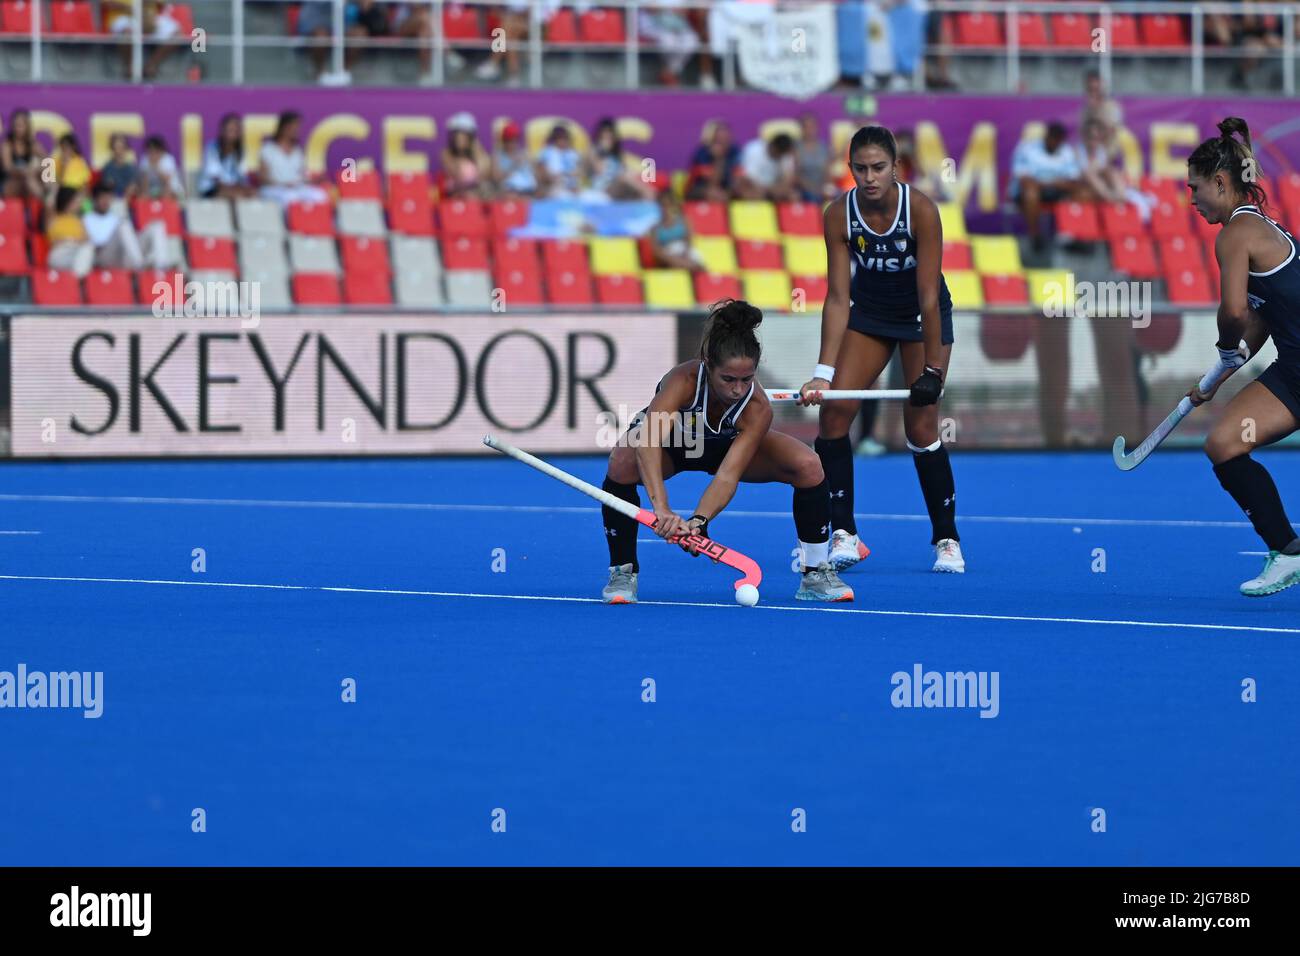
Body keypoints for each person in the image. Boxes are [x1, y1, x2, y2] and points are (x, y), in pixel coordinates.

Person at [599, 299, 852, 604]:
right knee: (621, 462)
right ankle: (622, 571)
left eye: (747, 379)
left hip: (723, 449)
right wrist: (662, 510)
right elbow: (649, 442)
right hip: (676, 446)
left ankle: (815, 573)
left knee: (808, 465)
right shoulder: (683, 382)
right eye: (728, 379)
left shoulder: (757, 408)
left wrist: (699, 521)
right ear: (708, 363)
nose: (737, 390)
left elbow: (727, 475)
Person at [798, 125, 965, 574]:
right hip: (870, 315)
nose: (869, 177)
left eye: (878, 168)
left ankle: (946, 538)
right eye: (860, 168)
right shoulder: (838, 214)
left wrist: (932, 368)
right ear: (849, 168)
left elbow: (928, 294)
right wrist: (823, 373)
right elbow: (837, 297)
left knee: (921, 426)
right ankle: (844, 533)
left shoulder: (922, 211)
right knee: (833, 415)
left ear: (896, 167)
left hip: (920, 317)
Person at [1184, 117, 1300, 596]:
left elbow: (1232, 314)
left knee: (1226, 445)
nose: (1191, 199)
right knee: (1225, 443)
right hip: (1294, 369)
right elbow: (1260, 321)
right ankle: (1288, 553)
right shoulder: (1256, 224)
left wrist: (1227, 346)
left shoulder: (1234, 233)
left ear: (1220, 180)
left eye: (1195, 188)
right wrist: (1217, 375)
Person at [1009, 121, 1085, 251]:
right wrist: (1050, 183)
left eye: (1058, 140)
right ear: (1046, 137)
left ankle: (1070, 235)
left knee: (1082, 193)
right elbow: (1023, 178)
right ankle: (1035, 236)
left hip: (1055, 190)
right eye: (1052, 138)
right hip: (1030, 191)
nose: (1054, 142)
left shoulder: (1067, 152)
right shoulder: (1027, 149)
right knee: (1031, 192)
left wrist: (1053, 184)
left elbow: (1074, 180)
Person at [83, 180, 172, 271]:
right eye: (102, 198)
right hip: (103, 255)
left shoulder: (115, 217)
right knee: (123, 226)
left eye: (108, 198)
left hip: (125, 256)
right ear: (95, 199)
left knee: (157, 225)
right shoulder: (87, 219)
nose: (106, 201)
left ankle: (162, 266)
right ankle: (140, 266)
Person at [258, 112, 328, 207]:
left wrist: (311, 180)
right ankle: (289, 222)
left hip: (296, 188)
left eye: (297, 128)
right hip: (274, 188)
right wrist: (283, 184)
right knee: (290, 198)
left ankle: (319, 221)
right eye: (294, 128)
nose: (297, 131)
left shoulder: (297, 151)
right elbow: (263, 179)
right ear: (284, 128)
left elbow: (302, 175)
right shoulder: (268, 149)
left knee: (320, 196)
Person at [583, 118, 654, 202]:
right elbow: (599, 170)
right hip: (602, 189)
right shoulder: (593, 151)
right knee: (624, 179)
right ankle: (648, 194)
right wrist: (602, 151)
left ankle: (648, 202)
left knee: (633, 184)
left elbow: (624, 171)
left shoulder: (616, 155)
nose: (607, 137)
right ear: (599, 136)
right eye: (604, 134)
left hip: (618, 188)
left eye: (610, 134)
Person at [198, 114, 255, 200]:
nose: (233, 134)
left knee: (254, 194)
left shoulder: (242, 152)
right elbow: (216, 181)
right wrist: (235, 190)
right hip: (212, 190)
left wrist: (245, 190)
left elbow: (242, 178)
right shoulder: (212, 148)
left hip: (235, 189)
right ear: (222, 131)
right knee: (233, 196)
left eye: (236, 130)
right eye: (230, 130)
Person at [440, 111, 492, 200]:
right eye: (457, 135)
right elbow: (457, 175)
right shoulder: (447, 154)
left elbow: (484, 175)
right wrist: (461, 153)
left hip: (476, 191)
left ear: (470, 137)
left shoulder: (477, 153)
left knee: (490, 194)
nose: (459, 139)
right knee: (471, 197)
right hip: (457, 193)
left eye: (463, 135)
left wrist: (478, 153)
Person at [648, 191, 705, 272]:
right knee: (679, 266)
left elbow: (690, 239)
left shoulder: (684, 221)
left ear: (673, 206)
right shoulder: (655, 228)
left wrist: (685, 253)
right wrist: (673, 259)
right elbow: (657, 251)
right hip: (668, 256)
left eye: (668, 205)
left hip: (684, 251)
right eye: (663, 205)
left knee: (700, 265)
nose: (665, 209)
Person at [45, 186, 94, 278]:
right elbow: (49, 202)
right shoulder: (53, 217)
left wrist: (72, 240)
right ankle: (78, 282)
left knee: (88, 248)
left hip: (76, 254)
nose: (78, 204)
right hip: (59, 254)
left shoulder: (79, 220)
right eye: (75, 201)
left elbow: (87, 240)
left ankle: (77, 279)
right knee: (84, 252)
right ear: (68, 202)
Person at [735, 132, 799, 202]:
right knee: (751, 193)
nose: (780, 157)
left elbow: (788, 179)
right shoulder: (754, 149)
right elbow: (748, 178)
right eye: (779, 154)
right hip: (754, 186)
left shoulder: (785, 155)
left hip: (774, 187)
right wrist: (767, 190)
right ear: (773, 147)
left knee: (793, 196)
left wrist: (779, 189)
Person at [685, 121, 740, 202]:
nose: (723, 142)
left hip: (727, 189)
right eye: (719, 139)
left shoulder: (734, 152)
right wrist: (718, 159)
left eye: (726, 138)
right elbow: (712, 182)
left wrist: (730, 191)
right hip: (700, 188)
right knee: (713, 194)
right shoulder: (702, 154)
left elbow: (737, 177)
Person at [1, 108, 46, 199]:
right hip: (9, 184)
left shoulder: (32, 144)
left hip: (29, 182)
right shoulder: (7, 145)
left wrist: (41, 173)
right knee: (28, 178)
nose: (17, 129)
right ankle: (44, 199)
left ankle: (47, 198)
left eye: (21, 125)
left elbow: (48, 161)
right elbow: (8, 169)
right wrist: (24, 171)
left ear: (27, 127)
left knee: (44, 177)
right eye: (15, 125)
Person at [535, 124, 582, 199]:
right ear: (554, 139)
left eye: (565, 138)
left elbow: (579, 172)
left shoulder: (573, 153)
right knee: (564, 196)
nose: (563, 140)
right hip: (554, 188)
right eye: (560, 138)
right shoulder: (546, 152)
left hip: (573, 189)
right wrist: (553, 178)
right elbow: (541, 174)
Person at [492, 121, 538, 197]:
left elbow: (535, 175)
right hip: (510, 191)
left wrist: (531, 163)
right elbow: (496, 178)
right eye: (509, 140)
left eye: (515, 140)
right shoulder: (498, 156)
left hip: (529, 191)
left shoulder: (524, 154)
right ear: (504, 141)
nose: (513, 143)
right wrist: (513, 166)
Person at [136, 135, 185, 200]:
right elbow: (144, 182)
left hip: (172, 189)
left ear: (161, 150)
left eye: (155, 150)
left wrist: (155, 167)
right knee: (141, 195)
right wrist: (145, 194)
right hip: (153, 190)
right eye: (150, 151)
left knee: (167, 192)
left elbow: (166, 181)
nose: (152, 153)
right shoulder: (145, 160)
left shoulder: (167, 159)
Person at [98, 133, 139, 199]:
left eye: (121, 147)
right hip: (112, 201)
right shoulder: (108, 168)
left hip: (127, 201)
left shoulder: (131, 168)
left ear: (126, 148)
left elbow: (132, 187)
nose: (119, 151)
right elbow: (107, 188)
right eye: (116, 147)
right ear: (112, 149)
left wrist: (124, 200)